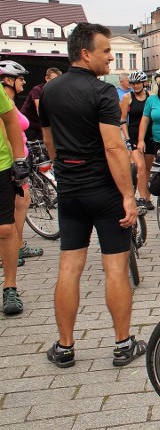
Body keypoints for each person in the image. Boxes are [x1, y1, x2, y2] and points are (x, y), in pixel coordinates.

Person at [39, 22, 145, 367]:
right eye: (105, 51)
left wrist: (65, 171)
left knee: (69, 267)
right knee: (115, 268)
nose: (111, 58)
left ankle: (65, 347)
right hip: (104, 190)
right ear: (85, 53)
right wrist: (128, 196)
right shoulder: (103, 93)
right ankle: (122, 344)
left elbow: (50, 143)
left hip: (70, 190)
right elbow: (115, 149)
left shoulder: (50, 92)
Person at [1, 62, 42, 268]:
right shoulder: (5, 102)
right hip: (11, 163)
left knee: (22, 204)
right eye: (20, 78)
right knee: (16, 206)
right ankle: (11, 249)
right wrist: (15, 163)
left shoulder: (10, 101)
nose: (24, 82)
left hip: (19, 159)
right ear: (8, 80)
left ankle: (18, 244)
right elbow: (7, 136)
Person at [0, 62, 30, 314]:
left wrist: (18, 160)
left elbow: (10, 122)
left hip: (1, 165)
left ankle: (10, 287)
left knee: (5, 228)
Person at [120, 70, 153, 208]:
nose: (136, 86)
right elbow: (122, 120)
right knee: (140, 166)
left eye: (138, 83)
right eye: (133, 83)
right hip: (133, 136)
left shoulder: (150, 97)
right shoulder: (128, 97)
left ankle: (147, 198)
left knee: (148, 169)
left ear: (144, 83)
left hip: (149, 135)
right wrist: (127, 138)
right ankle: (143, 198)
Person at [20, 67, 62, 141]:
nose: (56, 83)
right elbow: (39, 110)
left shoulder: (59, 92)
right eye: (53, 79)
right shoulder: (37, 90)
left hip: (41, 125)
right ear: (46, 78)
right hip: (29, 124)